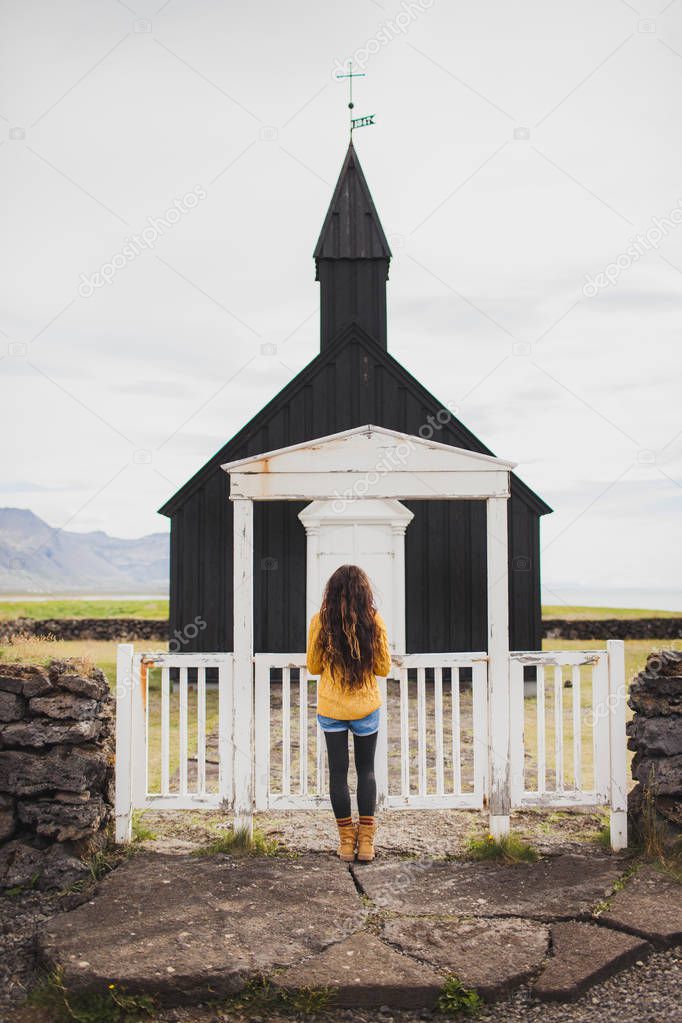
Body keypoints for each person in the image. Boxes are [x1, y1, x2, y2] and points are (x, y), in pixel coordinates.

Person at [306, 564, 391, 863]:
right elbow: (383, 668)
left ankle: (345, 844)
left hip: (332, 708)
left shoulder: (320, 621)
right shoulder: (374, 620)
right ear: (363, 591)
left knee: (338, 774)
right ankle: (366, 844)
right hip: (366, 706)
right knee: (366, 770)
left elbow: (314, 667)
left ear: (332, 590)